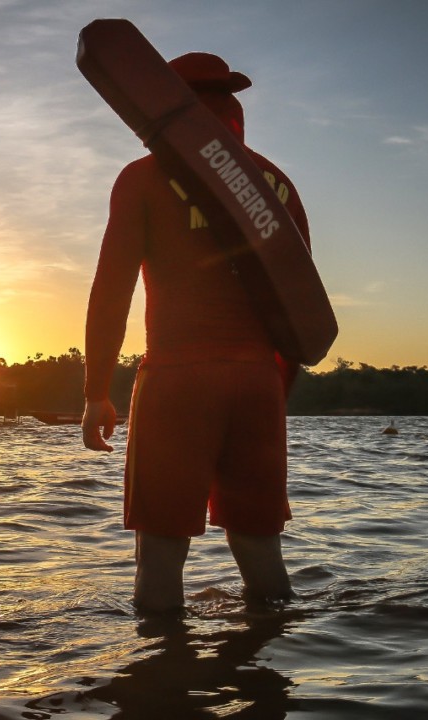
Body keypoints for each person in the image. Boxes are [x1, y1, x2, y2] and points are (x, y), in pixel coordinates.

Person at [81, 52, 310, 614]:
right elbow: (297, 305)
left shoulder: (145, 177)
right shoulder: (276, 183)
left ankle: (161, 685)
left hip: (179, 379)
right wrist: (273, 394)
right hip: (257, 384)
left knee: (160, 554)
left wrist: (94, 394)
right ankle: (268, 680)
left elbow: (111, 291)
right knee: (260, 548)